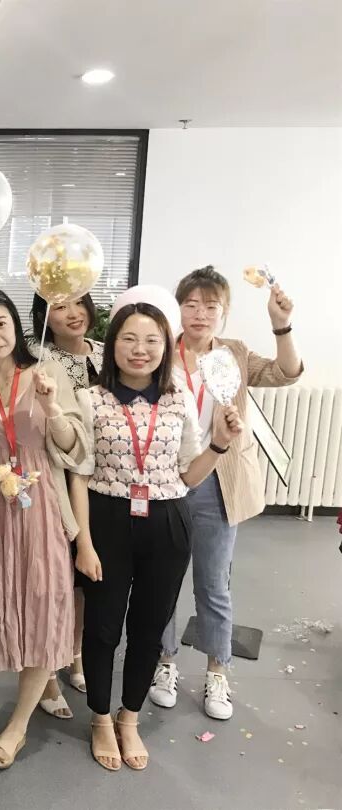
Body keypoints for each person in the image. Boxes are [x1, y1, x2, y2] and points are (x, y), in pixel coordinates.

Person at [69, 302, 243, 772]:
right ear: (113, 346)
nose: (140, 349)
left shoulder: (178, 398)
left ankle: (129, 718)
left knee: (149, 628)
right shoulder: (91, 399)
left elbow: (189, 475)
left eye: (151, 340)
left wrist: (219, 444)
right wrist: (83, 543)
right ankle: (100, 717)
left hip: (167, 522)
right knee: (102, 626)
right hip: (106, 519)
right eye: (129, 338)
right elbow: (79, 475)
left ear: (165, 347)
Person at [150, 266, 302, 720]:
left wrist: (281, 325)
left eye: (210, 306)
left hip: (218, 481)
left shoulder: (232, 353)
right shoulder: (161, 350)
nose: (200, 313)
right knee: (163, 578)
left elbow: (286, 372)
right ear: (178, 308)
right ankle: (164, 661)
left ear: (224, 312)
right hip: (167, 480)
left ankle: (218, 670)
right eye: (191, 304)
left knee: (213, 582)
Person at [0, 289, 86, 770]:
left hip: (43, 507)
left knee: (43, 610)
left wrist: (52, 409)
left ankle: (18, 726)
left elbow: (75, 450)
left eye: (1, 323)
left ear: (16, 326)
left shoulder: (48, 374)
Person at [29, 291, 106, 715]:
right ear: (43, 314)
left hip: (107, 480)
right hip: (60, 478)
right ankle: (47, 676)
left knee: (86, 583)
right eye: (60, 306)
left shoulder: (107, 353)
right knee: (56, 581)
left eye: (78, 302)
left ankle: (75, 655)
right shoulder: (38, 358)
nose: (73, 313)